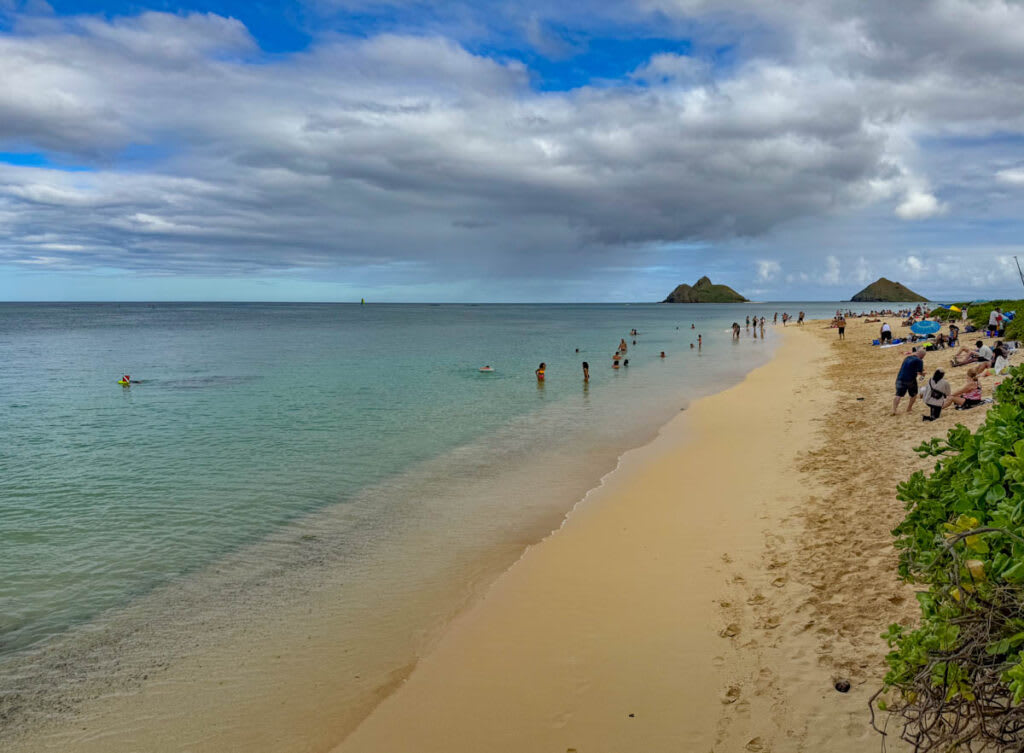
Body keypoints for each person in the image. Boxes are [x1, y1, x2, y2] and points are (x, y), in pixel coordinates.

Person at [892, 348, 925, 415]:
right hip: (910, 380)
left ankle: (894, 410)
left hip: (900, 378)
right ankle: (909, 408)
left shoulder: (908, 358)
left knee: (898, 395)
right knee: (914, 394)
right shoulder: (919, 361)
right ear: (922, 356)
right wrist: (923, 374)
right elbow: (919, 373)